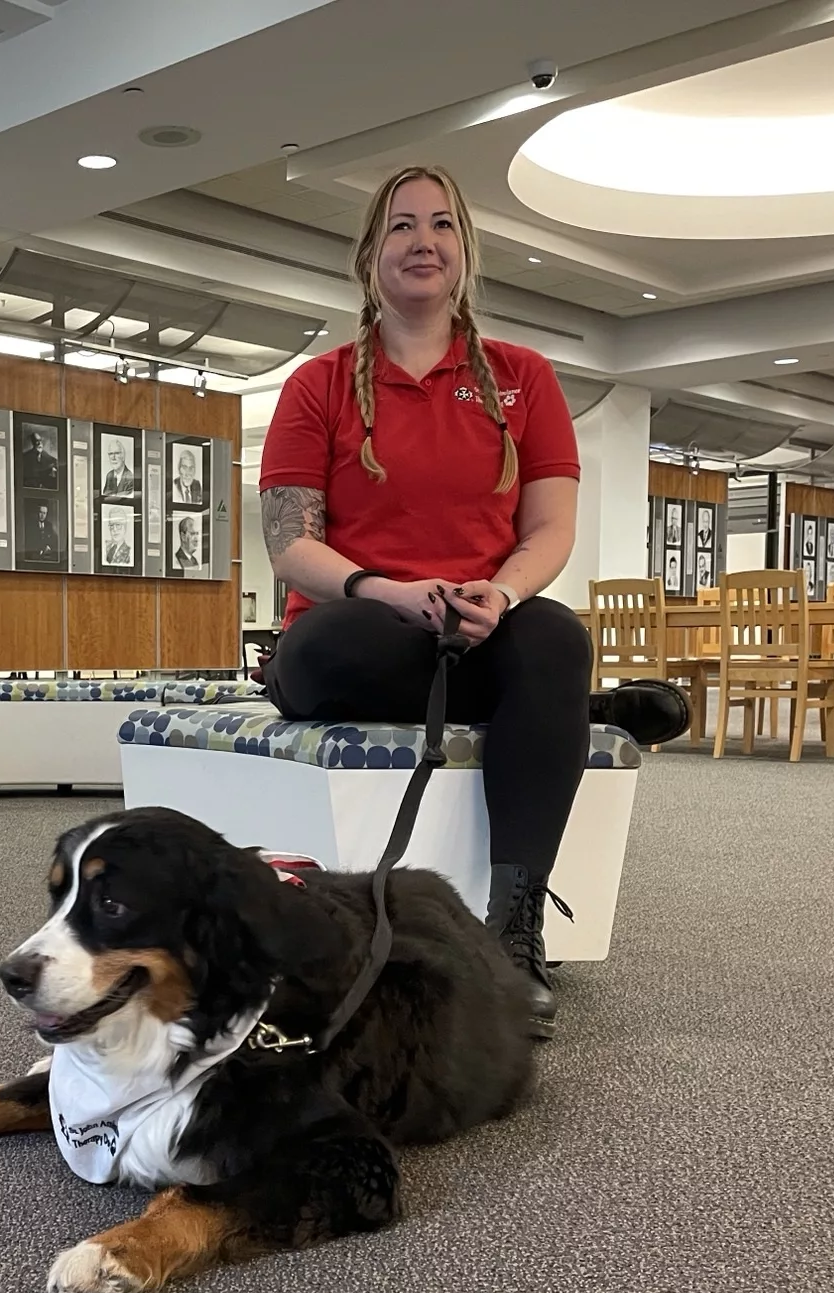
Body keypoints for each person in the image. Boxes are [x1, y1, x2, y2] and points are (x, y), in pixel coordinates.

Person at [258, 164, 686, 1039]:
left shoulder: (524, 379)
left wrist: (506, 589)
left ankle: (514, 933)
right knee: (326, 651)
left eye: (443, 225)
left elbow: (550, 530)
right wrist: (389, 591)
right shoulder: (320, 384)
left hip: (485, 625)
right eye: (402, 225)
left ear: (465, 252)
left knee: (556, 635)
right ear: (369, 254)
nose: (423, 241)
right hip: (365, 627)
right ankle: (572, 710)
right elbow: (289, 543)